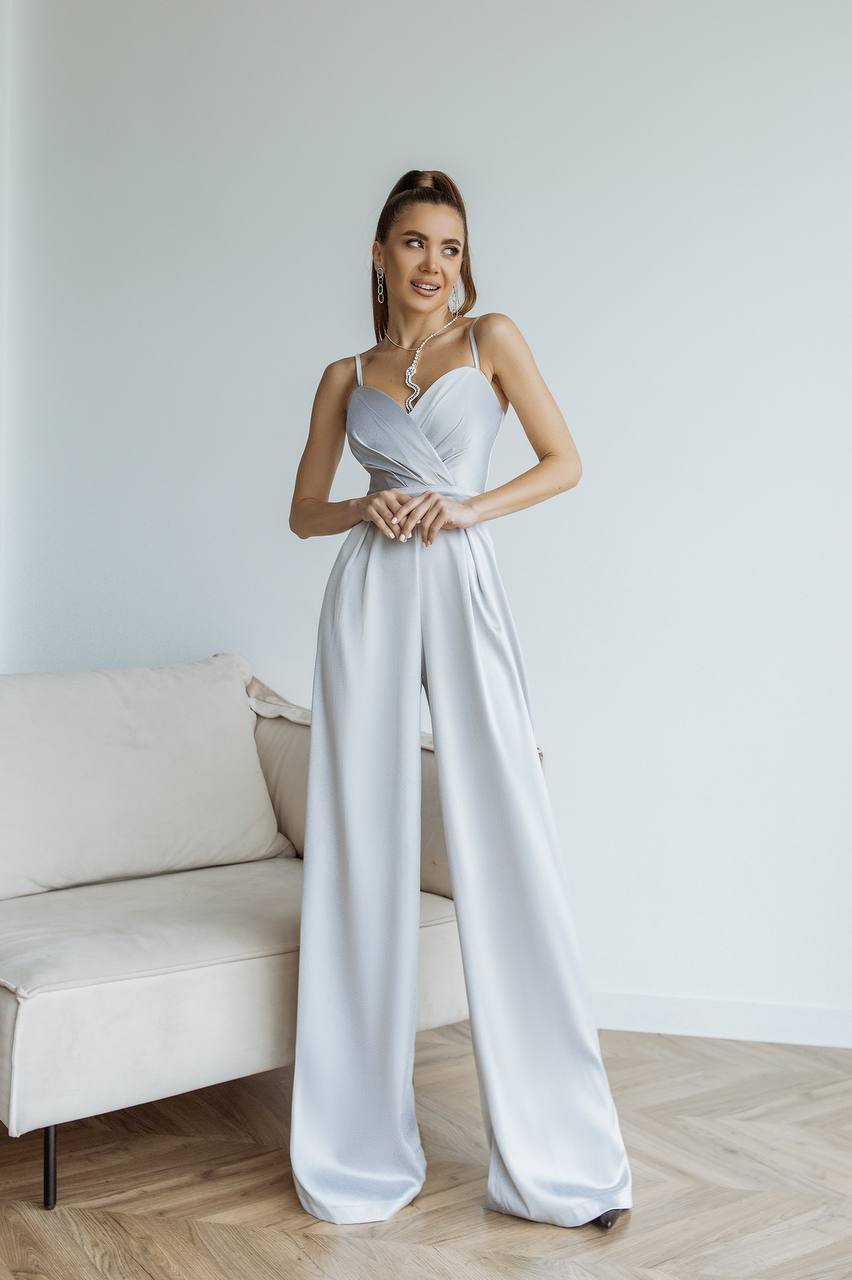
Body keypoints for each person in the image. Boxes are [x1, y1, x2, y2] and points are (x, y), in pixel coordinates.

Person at [287, 169, 633, 1232]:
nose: (433, 264)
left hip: (464, 581)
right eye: (413, 243)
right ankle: (354, 1147)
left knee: (508, 841)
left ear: (462, 261)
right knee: (360, 856)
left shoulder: (493, 342)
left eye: (450, 245)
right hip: (369, 603)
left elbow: (565, 459)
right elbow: (303, 512)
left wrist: (469, 505)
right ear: (381, 256)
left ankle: (560, 1156)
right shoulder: (347, 374)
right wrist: (365, 503)